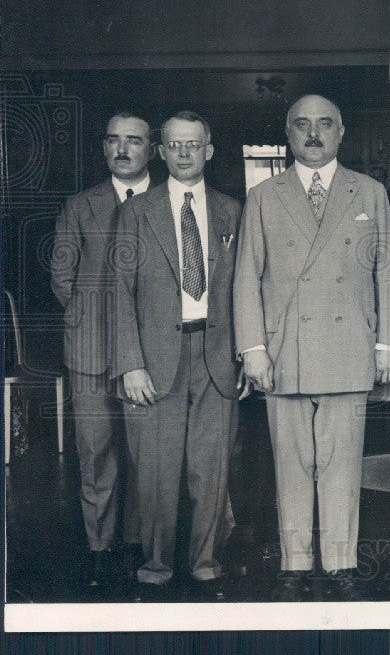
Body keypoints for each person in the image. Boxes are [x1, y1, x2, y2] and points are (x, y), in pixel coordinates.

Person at [234, 94, 390, 602]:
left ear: (342, 132)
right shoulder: (264, 197)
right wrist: (253, 348)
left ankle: (340, 562)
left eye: (324, 124)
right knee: (291, 464)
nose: (313, 133)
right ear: (288, 133)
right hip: (286, 350)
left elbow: (387, 273)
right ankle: (295, 562)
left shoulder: (369, 193)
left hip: (349, 346)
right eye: (302, 124)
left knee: (341, 465)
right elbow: (246, 278)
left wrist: (387, 343)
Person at [113, 110, 244, 601]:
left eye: (194, 144)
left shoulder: (233, 210)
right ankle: (156, 564)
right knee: (156, 469)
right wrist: (129, 362)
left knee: (211, 469)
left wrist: (247, 353)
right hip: (155, 358)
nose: (185, 152)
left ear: (208, 150)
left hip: (216, 357)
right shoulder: (135, 212)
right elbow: (119, 293)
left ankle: (207, 562)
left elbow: (246, 290)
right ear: (160, 152)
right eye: (175, 145)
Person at [50, 111, 153, 590]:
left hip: (151, 352)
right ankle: (99, 546)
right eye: (113, 140)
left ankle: (138, 542)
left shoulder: (166, 200)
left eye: (133, 140)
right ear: (103, 148)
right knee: (95, 451)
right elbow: (61, 276)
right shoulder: (79, 205)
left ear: (151, 148)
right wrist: (92, 320)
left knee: (145, 451)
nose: (123, 149)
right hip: (90, 350)